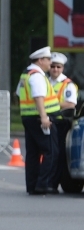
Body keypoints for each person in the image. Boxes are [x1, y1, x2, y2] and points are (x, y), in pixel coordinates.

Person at [16, 46, 60, 195]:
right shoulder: (37, 76)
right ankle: (43, 184)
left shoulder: (26, 74)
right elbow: (38, 96)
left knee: (33, 153)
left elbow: (19, 93)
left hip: (28, 117)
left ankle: (32, 185)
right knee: (51, 151)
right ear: (41, 60)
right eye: (48, 60)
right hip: (39, 118)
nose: (50, 63)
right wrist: (44, 117)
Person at [48, 52, 78, 192]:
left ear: (63, 68)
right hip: (47, 121)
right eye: (53, 66)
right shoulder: (46, 81)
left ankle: (53, 183)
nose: (55, 69)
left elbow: (70, 104)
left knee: (57, 154)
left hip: (61, 123)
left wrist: (49, 105)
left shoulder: (67, 84)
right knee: (48, 153)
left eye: (58, 67)